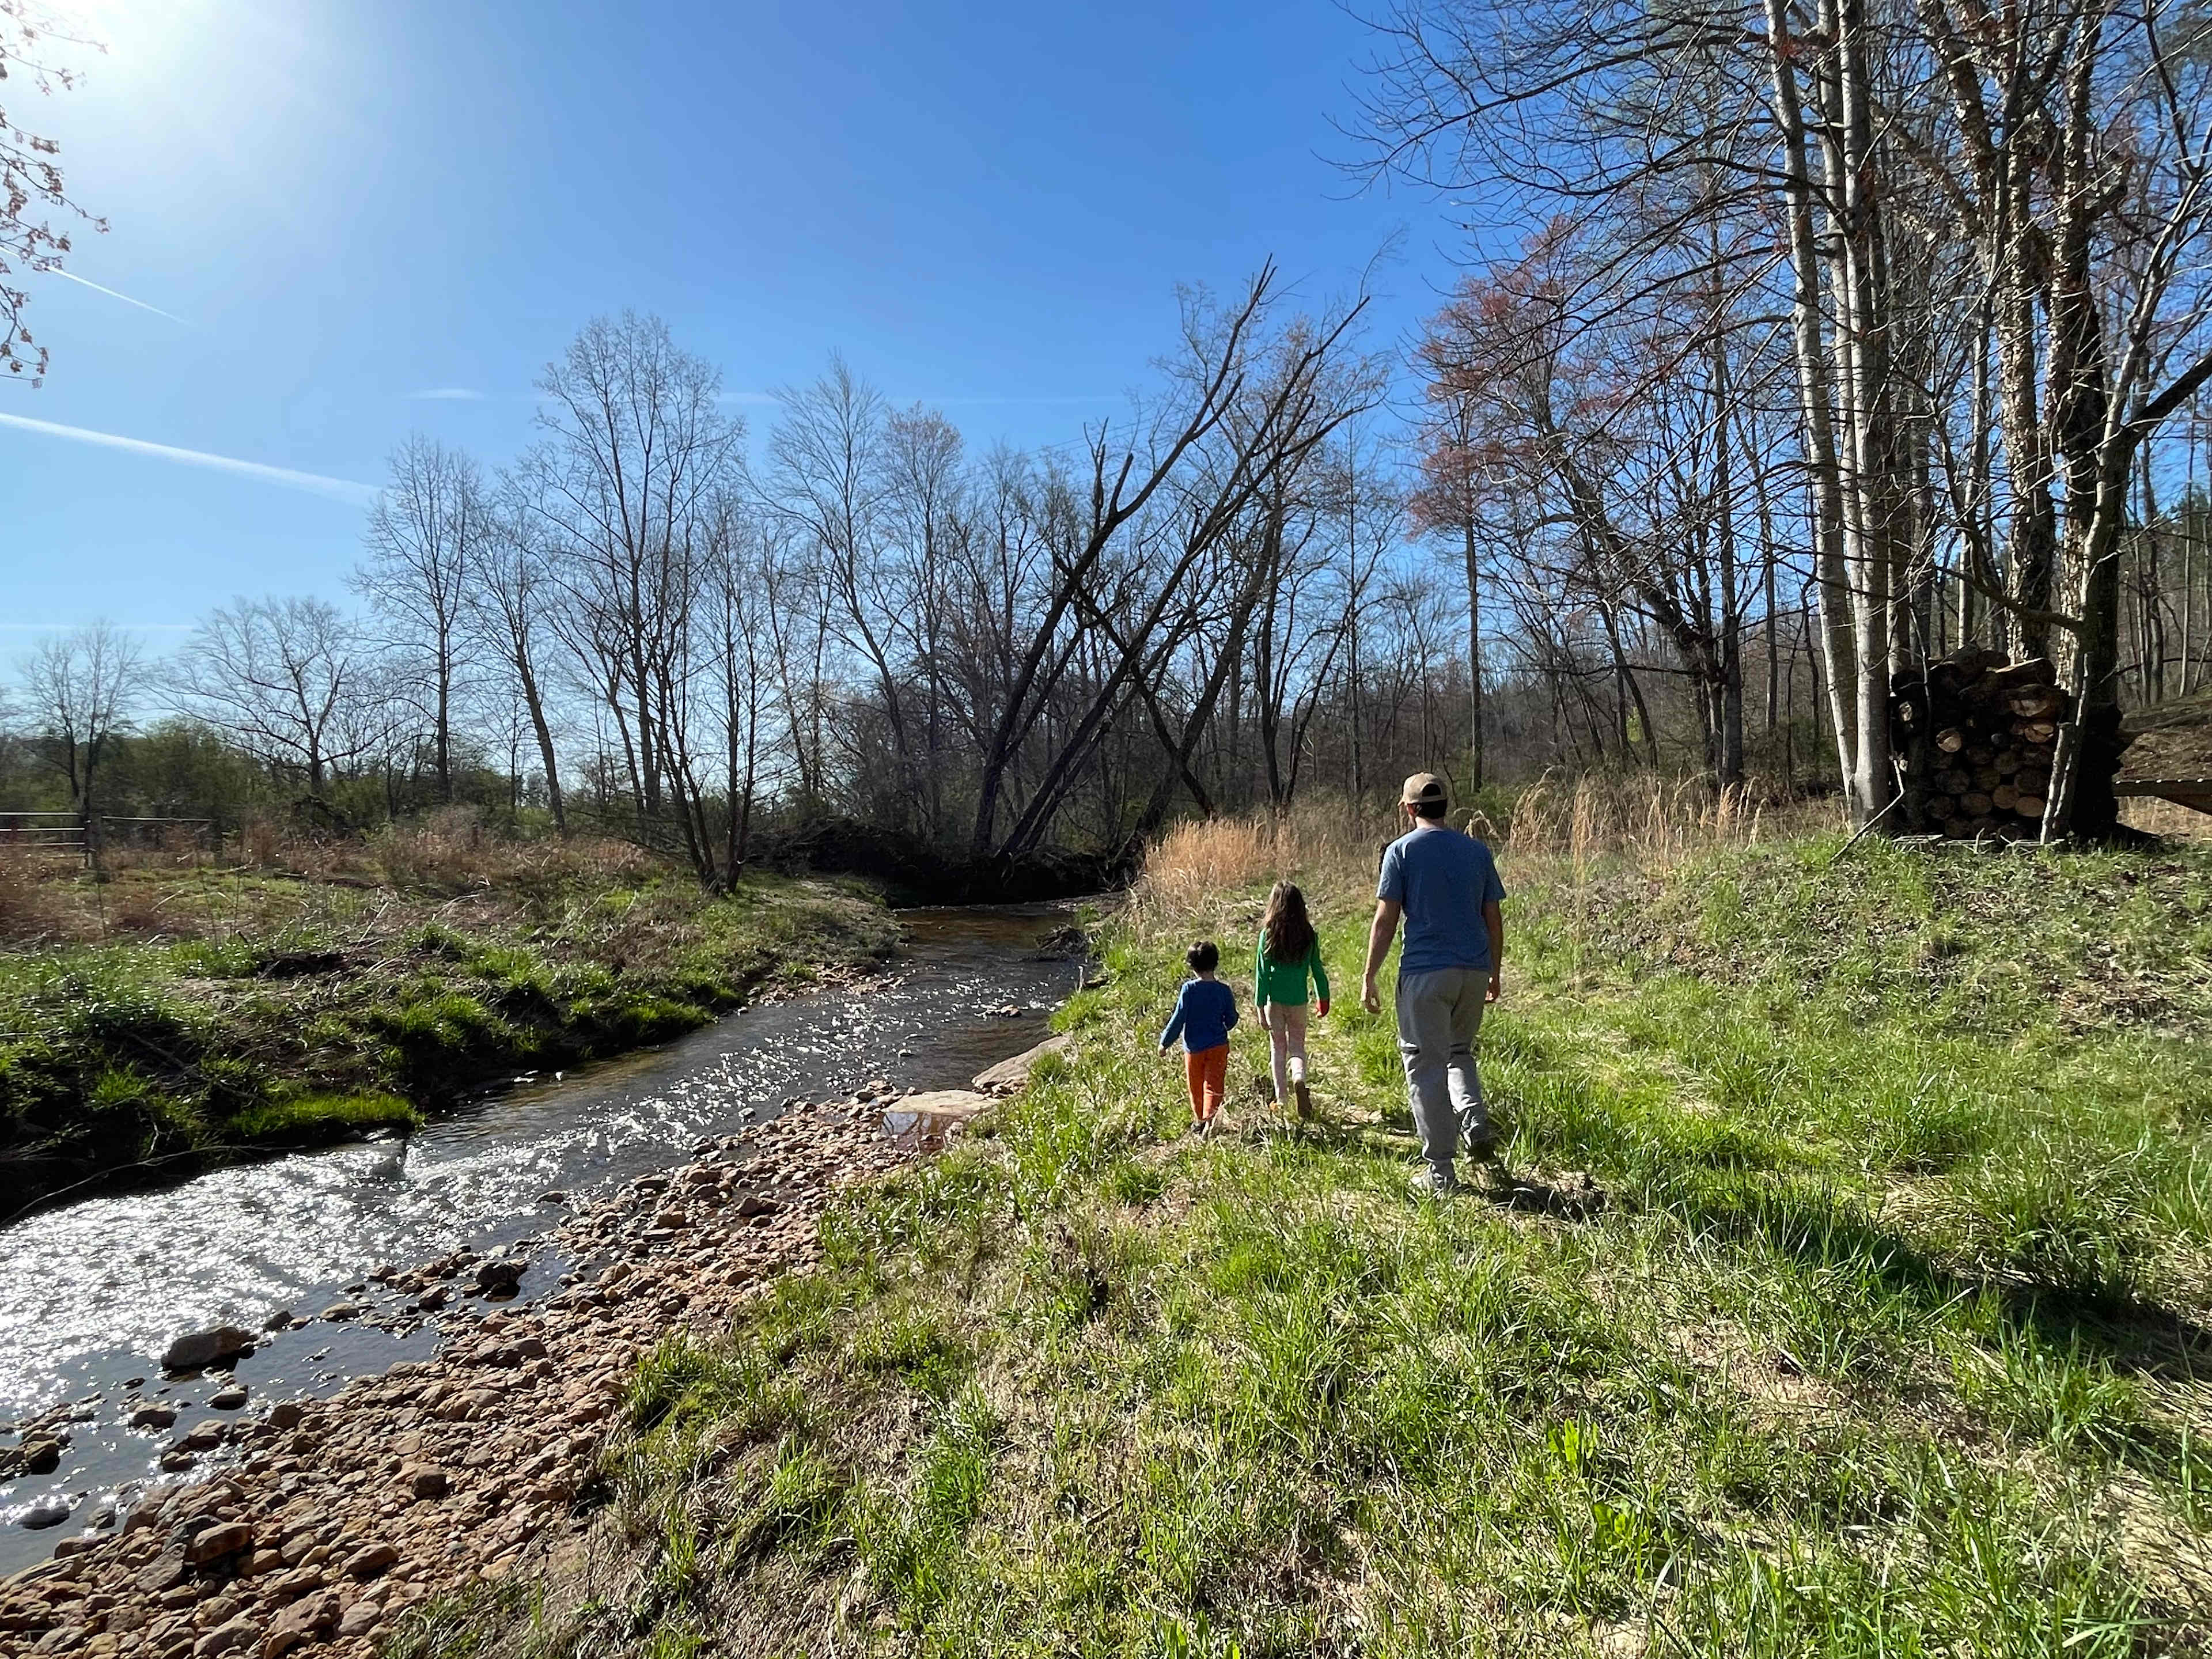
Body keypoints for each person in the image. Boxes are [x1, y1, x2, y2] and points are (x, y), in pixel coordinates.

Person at [1361, 772, 1506, 1195]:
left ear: (1409, 809)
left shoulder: (1401, 852)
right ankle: (1472, 1117)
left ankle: (1441, 1172)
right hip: (1474, 972)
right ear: (1447, 806)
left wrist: (1369, 975)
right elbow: (1493, 919)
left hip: (1426, 974)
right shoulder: (1478, 852)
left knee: (1424, 1065)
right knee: (1460, 1052)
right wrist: (1494, 971)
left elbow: (1386, 920)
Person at [1253, 881, 1329, 1120]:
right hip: (1298, 1001)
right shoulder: (1309, 935)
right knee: (1297, 1046)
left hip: (1274, 1001)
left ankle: (1282, 1099)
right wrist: (1323, 998)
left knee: (1278, 1048)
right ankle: (1300, 1078)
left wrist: (1259, 1005)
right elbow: (1317, 969)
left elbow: (1262, 974)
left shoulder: (1267, 935)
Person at [1160, 939, 1237, 1136]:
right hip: (1218, 1046)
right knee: (1214, 1084)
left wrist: (1165, 1042)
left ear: (1192, 966)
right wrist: (1230, 1021)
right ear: (1216, 963)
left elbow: (1178, 1018)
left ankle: (1201, 1121)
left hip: (1194, 1049)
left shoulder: (1189, 990)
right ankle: (1211, 1121)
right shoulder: (1224, 990)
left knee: (1195, 1086)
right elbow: (1230, 1019)